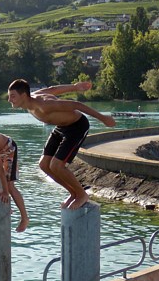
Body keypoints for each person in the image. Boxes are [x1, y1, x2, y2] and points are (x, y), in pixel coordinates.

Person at [7, 79, 116, 210]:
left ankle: (82, 194)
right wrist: (75, 87)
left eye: (12, 96)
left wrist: (103, 118)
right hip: (60, 128)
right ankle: (73, 193)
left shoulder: (45, 105)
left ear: (23, 95)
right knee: (44, 165)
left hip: (76, 127)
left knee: (57, 165)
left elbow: (76, 105)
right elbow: (53, 89)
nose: (9, 100)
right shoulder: (32, 100)